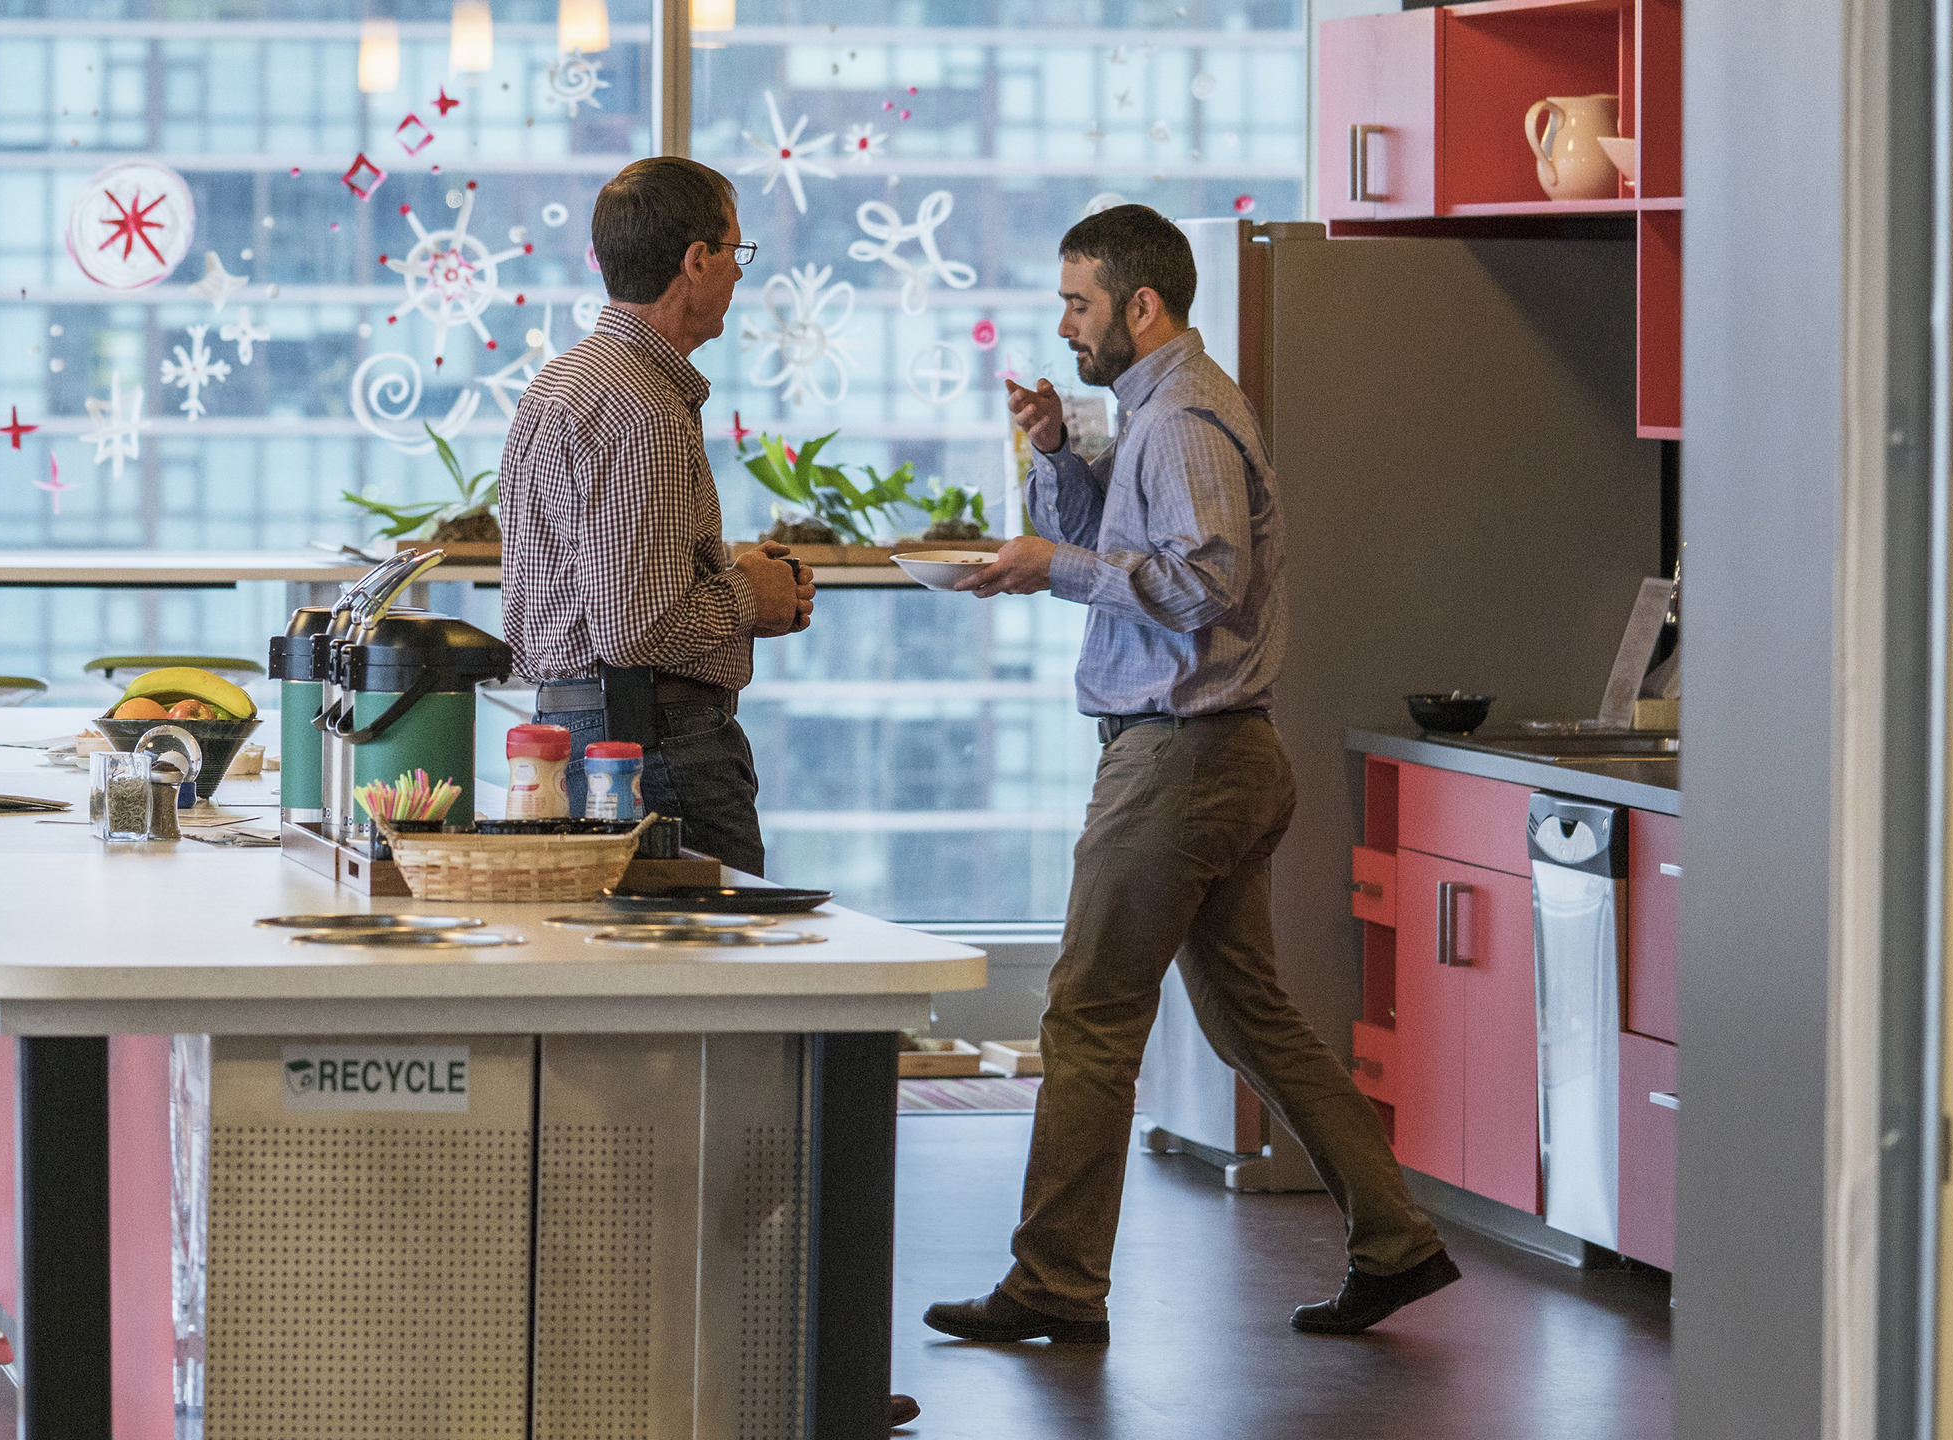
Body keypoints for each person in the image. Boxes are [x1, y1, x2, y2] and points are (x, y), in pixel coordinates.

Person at [922, 205, 1458, 1347]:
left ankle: (1056, 1285)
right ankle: (1398, 1243)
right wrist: (1058, 455)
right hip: (1219, 756)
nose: (1065, 325)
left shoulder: (1184, 422)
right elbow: (1136, 542)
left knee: (1089, 1015)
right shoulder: (1152, 416)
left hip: (1182, 759)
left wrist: (1048, 567)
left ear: (1141, 306)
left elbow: (1204, 579)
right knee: (1252, 1018)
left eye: (1079, 303)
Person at [498, 156, 813, 876]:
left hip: (568, 733)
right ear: (696, 260)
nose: (740, 273)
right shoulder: (645, 412)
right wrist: (750, 594)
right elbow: (637, 628)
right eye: (735, 253)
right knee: (713, 982)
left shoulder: (563, 382)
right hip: (653, 748)